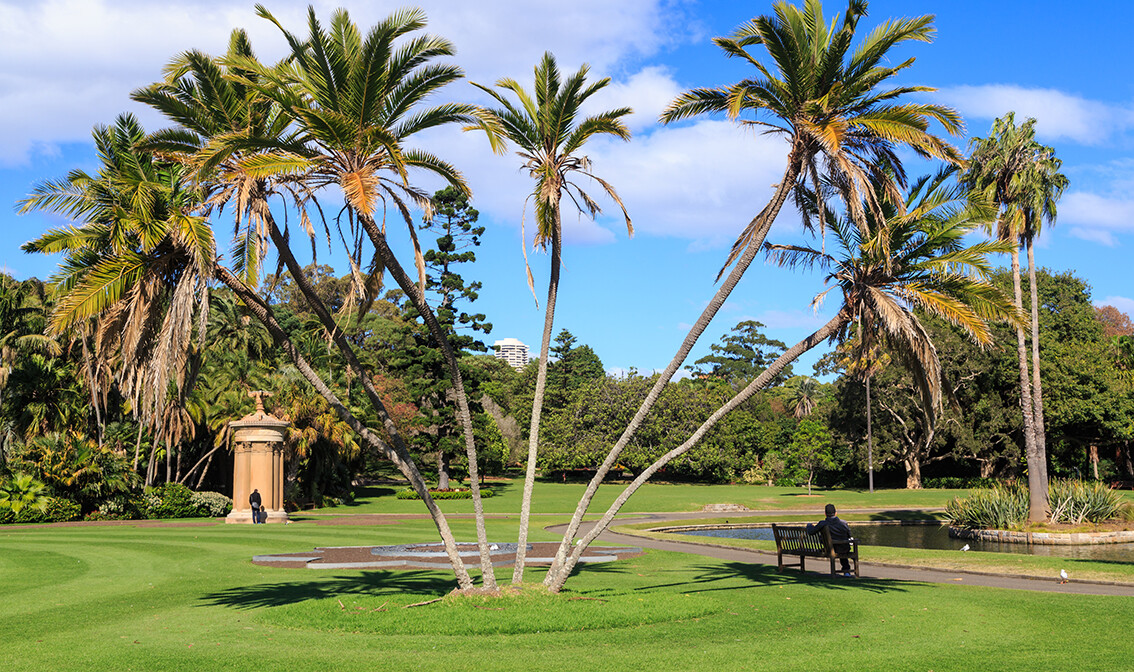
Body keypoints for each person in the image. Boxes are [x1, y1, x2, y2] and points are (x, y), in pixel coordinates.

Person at [806, 503, 852, 576]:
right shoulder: (843, 523)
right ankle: (846, 570)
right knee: (840, 546)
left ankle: (845, 570)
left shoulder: (823, 524)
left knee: (834, 545)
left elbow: (811, 532)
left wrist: (809, 525)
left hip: (829, 549)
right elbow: (849, 535)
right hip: (844, 548)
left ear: (825, 514)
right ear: (836, 513)